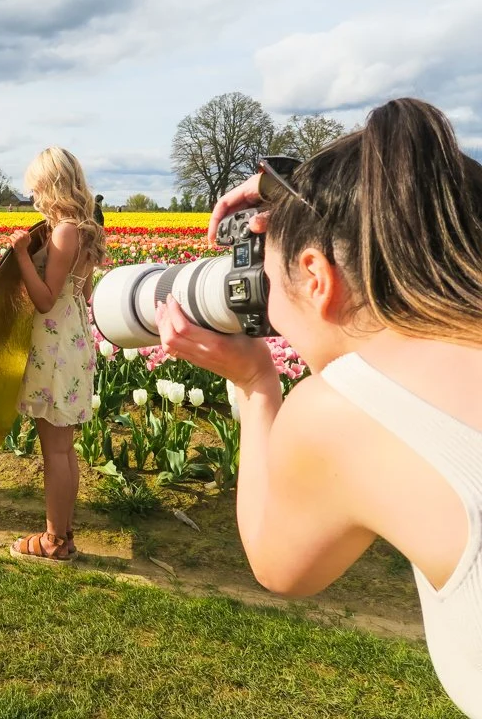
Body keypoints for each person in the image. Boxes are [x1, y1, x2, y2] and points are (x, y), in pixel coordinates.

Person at [157, 98, 482, 717]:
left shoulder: (349, 407)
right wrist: (317, 195)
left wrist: (256, 384)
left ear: (315, 276)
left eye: (268, 284)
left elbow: (280, 567)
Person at [7, 147, 106, 561]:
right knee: (65, 449)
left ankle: (52, 542)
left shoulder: (64, 230)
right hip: (75, 338)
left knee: (55, 451)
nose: (34, 193)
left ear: (52, 183)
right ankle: (63, 533)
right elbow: (82, 293)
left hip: (55, 344)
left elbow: (46, 300)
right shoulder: (86, 231)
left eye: (37, 185)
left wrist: (20, 256)